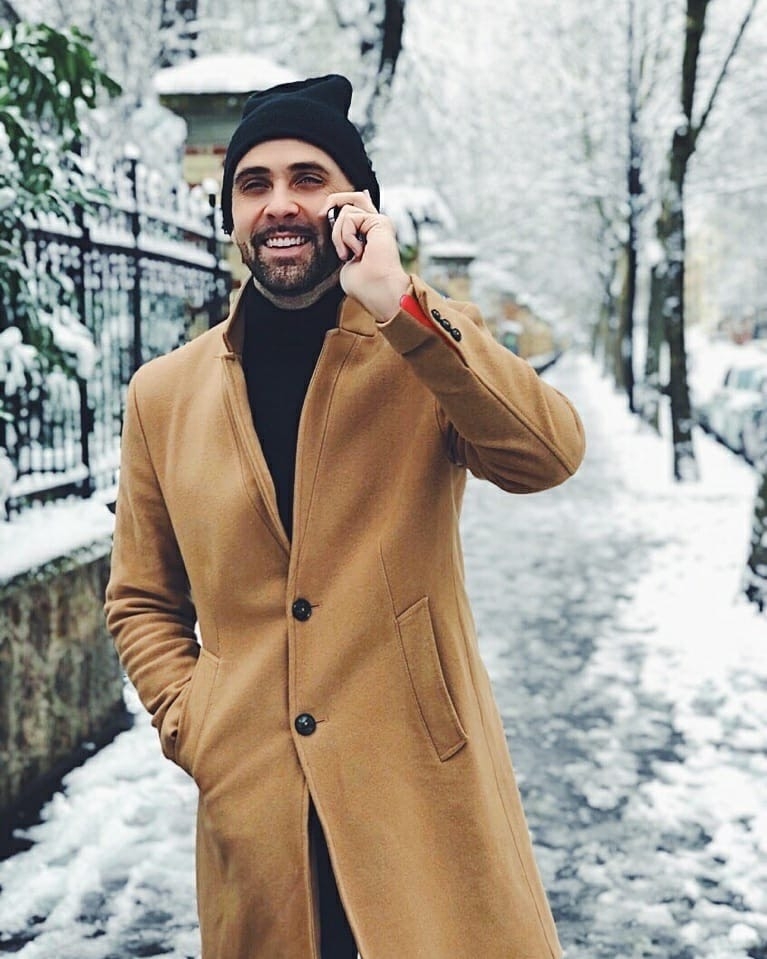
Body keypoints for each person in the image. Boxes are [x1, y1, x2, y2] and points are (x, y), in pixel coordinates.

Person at [105, 73, 586, 959]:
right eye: (254, 184)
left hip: (421, 799)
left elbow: (545, 456)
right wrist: (194, 720)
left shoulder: (422, 345)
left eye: (308, 178)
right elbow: (140, 597)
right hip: (257, 812)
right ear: (231, 213)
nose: (279, 204)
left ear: (355, 202)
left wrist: (398, 301)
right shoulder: (162, 394)